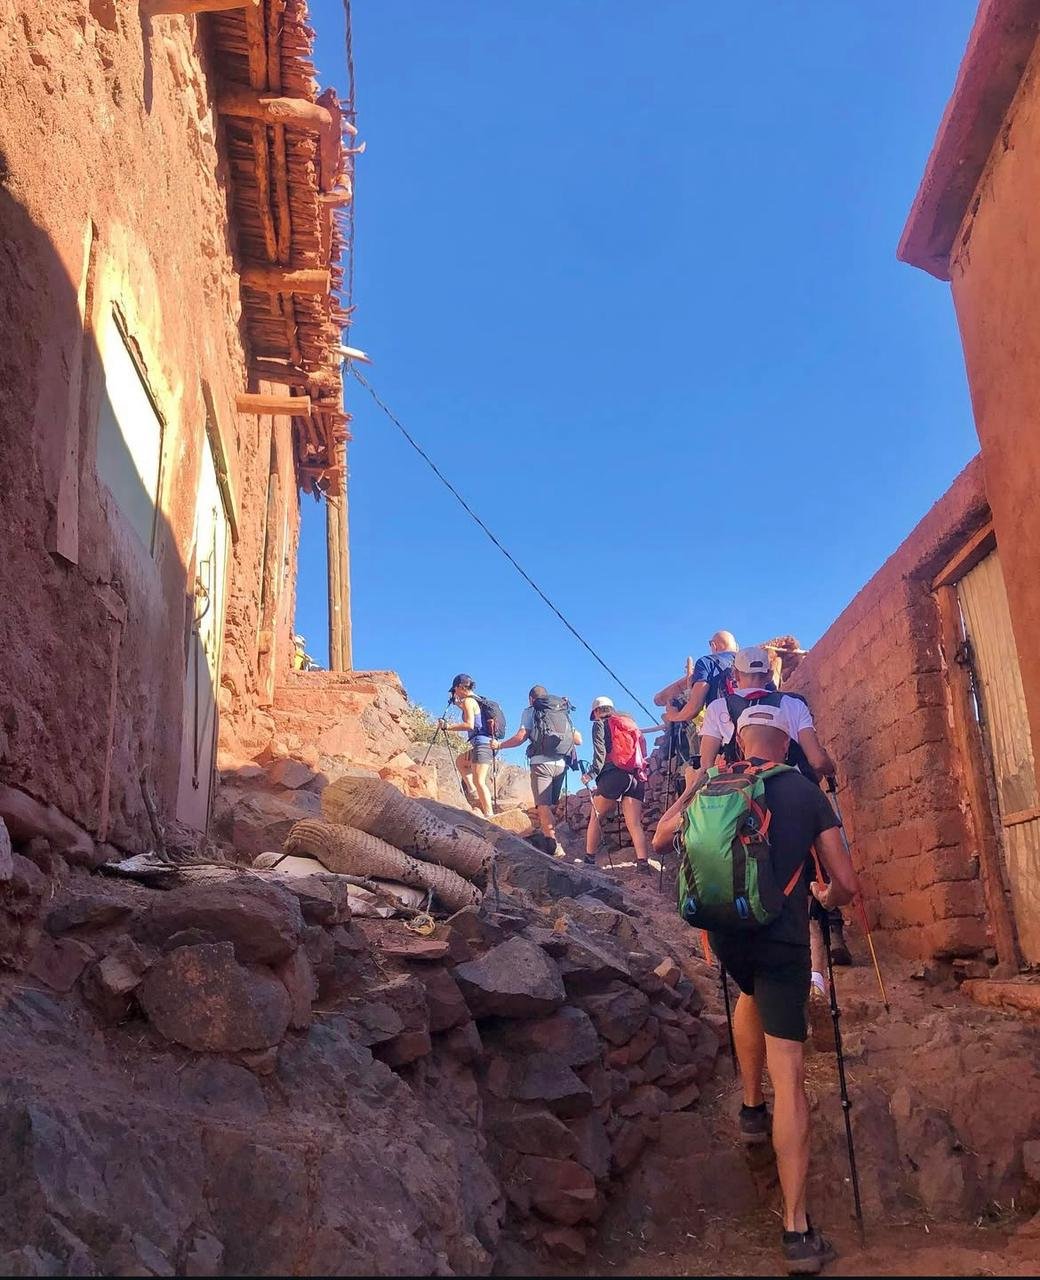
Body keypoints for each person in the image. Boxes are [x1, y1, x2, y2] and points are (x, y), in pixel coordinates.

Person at [653, 704, 860, 1275]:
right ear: (788, 741)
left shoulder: (717, 783)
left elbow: (660, 837)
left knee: (747, 993)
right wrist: (825, 899)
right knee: (790, 1071)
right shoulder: (803, 791)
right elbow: (844, 882)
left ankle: (749, 1108)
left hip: (726, 937)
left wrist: (698, 781)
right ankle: (797, 1232)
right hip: (782, 941)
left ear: (741, 740)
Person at [492, 685, 582, 858]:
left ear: (531, 699)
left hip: (541, 764)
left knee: (543, 806)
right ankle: (550, 834)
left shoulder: (532, 711)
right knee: (550, 805)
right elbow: (578, 740)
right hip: (561, 764)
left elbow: (521, 737)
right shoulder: (561, 711)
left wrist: (500, 745)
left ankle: (553, 845)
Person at [656, 631, 739, 786]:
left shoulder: (707, 662)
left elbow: (694, 707)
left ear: (713, 646)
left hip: (722, 739)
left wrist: (673, 716)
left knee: (702, 780)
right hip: (753, 736)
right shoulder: (746, 663)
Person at [583, 696, 653, 875]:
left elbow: (600, 754)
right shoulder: (630, 725)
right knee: (634, 823)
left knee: (596, 816)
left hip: (613, 774)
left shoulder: (600, 725)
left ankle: (589, 860)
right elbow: (642, 752)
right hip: (636, 776)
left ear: (597, 711)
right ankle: (643, 864)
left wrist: (590, 774)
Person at [439, 674, 495, 818]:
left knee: (479, 780)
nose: (454, 692)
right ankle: (473, 794)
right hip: (483, 744)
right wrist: (458, 703)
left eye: (455, 689)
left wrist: (448, 726)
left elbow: (470, 724)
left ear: (459, 687)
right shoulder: (475, 700)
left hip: (482, 745)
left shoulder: (469, 702)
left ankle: (489, 814)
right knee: (460, 761)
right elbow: (475, 717)